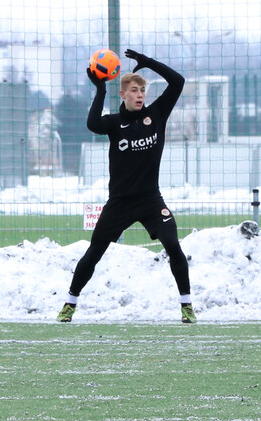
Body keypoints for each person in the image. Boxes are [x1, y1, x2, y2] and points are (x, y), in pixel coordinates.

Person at [56, 49, 195, 324]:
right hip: (119, 203)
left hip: (150, 200)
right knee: (93, 253)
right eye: (134, 89)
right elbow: (92, 123)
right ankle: (70, 303)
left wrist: (149, 64)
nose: (140, 94)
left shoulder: (156, 115)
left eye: (143, 89)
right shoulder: (114, 123)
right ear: (123, 94)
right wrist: (98, 89)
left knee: (173, 246)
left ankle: (187, 306)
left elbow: (177, 82)